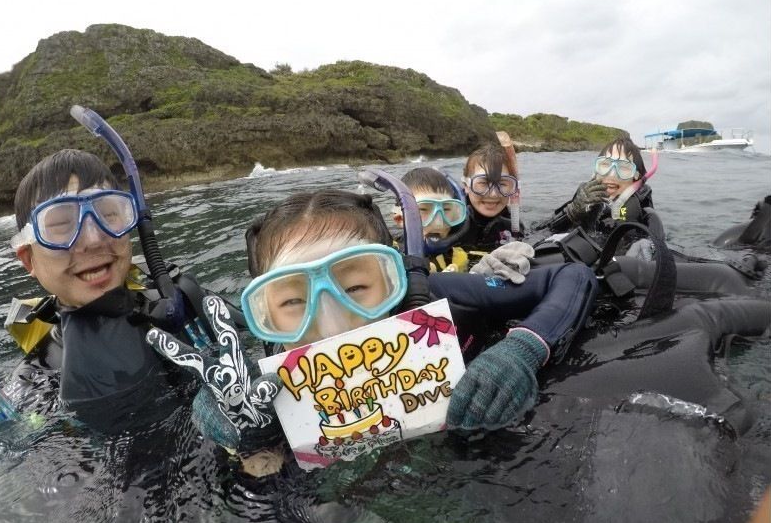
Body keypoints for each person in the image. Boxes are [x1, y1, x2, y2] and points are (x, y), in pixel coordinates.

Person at [147, 187, 598, 450]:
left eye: (357, 287)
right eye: (292, 302)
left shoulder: (431, 300)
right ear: (263, 313)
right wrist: (238, 429)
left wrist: (522, 349)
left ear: (396, 279)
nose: (331, 323)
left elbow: (573, 276)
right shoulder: (262, 376)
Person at [2, 149, 281, 452]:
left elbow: (277, 346)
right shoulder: (33, 384)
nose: (94, 239)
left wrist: (260, 431)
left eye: (109, 215)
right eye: (60, 226)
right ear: (28, 259)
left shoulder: (185, 304)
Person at [536, 136, 655, 238]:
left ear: (636, 178)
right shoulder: (585, 197)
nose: (612, 174)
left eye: (624, 168)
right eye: (605, 165)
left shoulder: (643, 212)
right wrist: (572, 212)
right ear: (596, 171)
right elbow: (538, 232)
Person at [455, 137, 524, 260]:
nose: (493, 194)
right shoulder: (451, 223)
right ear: (466, 185)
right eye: (483, 183)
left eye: (503, 184)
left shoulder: (513, 226)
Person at [392, 167, 470, 272]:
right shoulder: (390, 257)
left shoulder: (458, 258)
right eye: (423, 209)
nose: (438, 223)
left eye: (446, 209)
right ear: (400, 219)